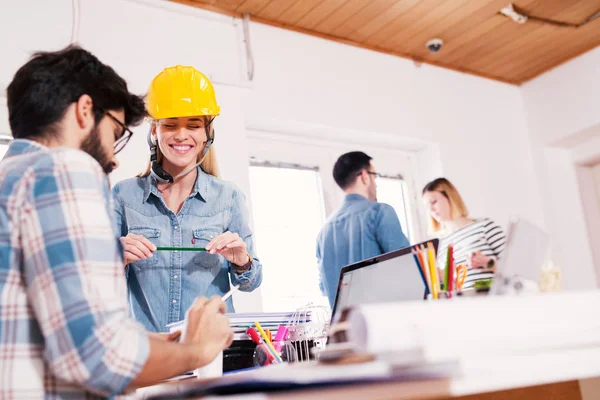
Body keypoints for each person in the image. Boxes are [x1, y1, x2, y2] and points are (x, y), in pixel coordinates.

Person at [0, 46, 234, 398]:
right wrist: (197, 351)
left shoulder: (11, 178)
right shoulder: (64, 168)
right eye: (116, 132)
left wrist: (167, 343)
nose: (112, 156)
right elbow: (98, 357)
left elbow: (52, 331)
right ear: (84, 111)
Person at [113, 65, 263, 332]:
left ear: (207, 134)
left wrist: (242, 260)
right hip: (149, 354)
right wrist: (116, 258)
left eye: (193, 125)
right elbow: (97, 283)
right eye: (170, 124)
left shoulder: (228, 198)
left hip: (212, 353)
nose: (181, 135)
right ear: (155, 132)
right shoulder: (123, 196)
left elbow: (250, 282)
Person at [317, 151, 410, 308]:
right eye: (374, 176)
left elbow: (324, 288)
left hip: (344, 330)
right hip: (384, 322)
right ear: (364, 176)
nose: (375, 182)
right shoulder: (379, 212)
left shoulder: (324, 232)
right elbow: (408, 268)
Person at [422, 177, 506, 291]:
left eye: (434, 202)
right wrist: (442, 278)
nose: (431, 209)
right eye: (428, 206)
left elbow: (515, 268)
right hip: (462, 305)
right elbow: (451, 288)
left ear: (449, 197)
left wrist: (489, 263)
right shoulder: (441, 245)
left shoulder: (484, 226)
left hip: (491, 300)